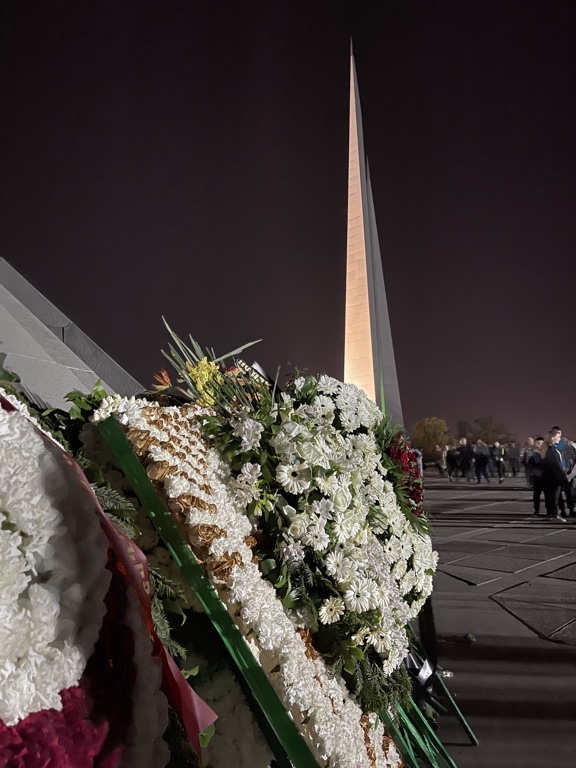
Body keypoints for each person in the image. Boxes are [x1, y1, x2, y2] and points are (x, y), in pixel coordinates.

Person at [550, 426, 575, 517]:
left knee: (568, 492)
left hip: (566, 470)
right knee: (558, 493)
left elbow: (571, 456)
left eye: (559, 433)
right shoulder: (551, 444)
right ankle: (562, 510)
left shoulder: (566, 443)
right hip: (557, 473)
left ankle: (571, 509)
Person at [541, 429, 567, 519]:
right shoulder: (551, 450)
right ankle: (554, 514)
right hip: (555, 478)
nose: (559, 439)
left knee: (550, 496)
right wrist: (564, 475)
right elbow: (557, 464)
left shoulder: (546, 449)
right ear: (552, 437)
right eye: (558, 437)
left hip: (548, 477)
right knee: (554, 497)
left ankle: (550, 513)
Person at [528, 437, 545, 515]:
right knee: (536, 495)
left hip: (546, 476)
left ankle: (550, 511)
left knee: (548, 495)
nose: (540, 445)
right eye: (539, 443)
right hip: (537, 476)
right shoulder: (533, 454)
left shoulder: (547, 452)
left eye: (542, 443)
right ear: (535, 444)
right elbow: (529, 465)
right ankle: (536, 510)